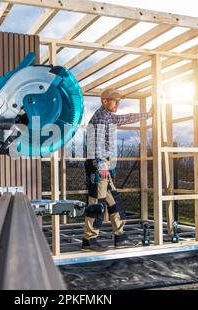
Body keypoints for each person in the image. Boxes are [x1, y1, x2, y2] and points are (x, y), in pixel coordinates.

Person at [82, 88, 150, 252]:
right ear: (104, 101)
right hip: (98, 166)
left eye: (119, 101)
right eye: (114, 100)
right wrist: (101, 165)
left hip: (102, 165)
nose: (117, 103)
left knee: (114, 203)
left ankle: (120, 237)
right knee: (96, 203)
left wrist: (147, 115)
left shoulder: (108, 116)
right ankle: (89, 240)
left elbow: (124, 118)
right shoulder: (100, 117)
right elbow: (95, 143)